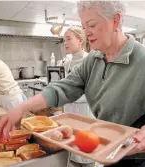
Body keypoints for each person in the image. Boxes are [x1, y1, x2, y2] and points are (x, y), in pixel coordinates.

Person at [0, 1, 145, 167]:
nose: (86, 32)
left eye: (92, 25)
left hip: (135, 157)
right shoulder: (94, 59)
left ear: (115, 20)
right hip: (107, 148)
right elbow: (64, 87)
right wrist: (22, 108)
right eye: (84, 26)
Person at [63, 27, 95, 167]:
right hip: (70, 112)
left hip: (85, 113)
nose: (65, 43)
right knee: (72, 151)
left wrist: (69, 96)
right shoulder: (67, 63)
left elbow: (92, 92)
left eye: (69, 39)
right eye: (64, 40)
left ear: (80, 40)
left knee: (86, 152)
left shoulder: (91, 60)